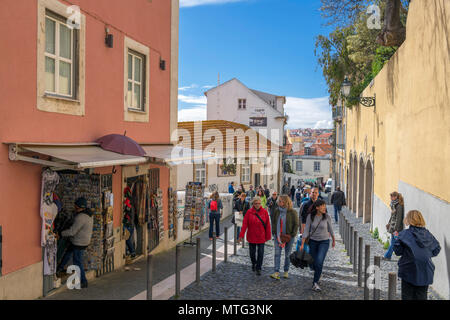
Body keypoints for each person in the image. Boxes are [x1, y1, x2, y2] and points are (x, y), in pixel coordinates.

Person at [394, 210, 441, 300]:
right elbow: (437, 249)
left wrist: (397, 239)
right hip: (426, 270)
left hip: (409, 269)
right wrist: (426, 254)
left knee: (407, 296)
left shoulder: (404, 234)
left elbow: (398, 251)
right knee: (421, 296)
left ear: (408, 220)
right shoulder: (428, 234)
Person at [56, 197, 93, 288]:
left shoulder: (80, 217)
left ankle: (83, 281)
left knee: (77, 262)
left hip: (79, 242)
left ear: (81, 207)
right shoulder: (88, 214)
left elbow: (72, 231)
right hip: (82, 240)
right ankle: (59, 268)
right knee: (68, 252)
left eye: (76, 207)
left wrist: (60, 234)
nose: (75, 209)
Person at [300, 199, 335, 292]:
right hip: (313, 241)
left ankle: (315, 283)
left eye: (325, 206)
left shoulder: (327, 216)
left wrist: (334, 239)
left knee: (319, 261)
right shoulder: (310, 217)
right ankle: (318, 273)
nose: (324, 208)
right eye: (322, 206)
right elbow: (306, 230)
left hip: (324, 242)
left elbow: (330, 229)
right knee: (312, 262)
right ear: (317, 207)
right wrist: (302, 243)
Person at [238, 197, 271, 276]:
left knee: (261, 253)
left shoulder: (264, 212)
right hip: (252, 235)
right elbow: (244, 225)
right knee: (252, 253)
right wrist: (241, 235)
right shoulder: (249, 212)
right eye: (256, 203)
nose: (257, 205)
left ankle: (258, 267)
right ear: (253, 204)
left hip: (261, 235)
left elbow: (268, 225)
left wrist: (268, 236)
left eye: (259, 203)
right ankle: (254, 263)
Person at [270, 195, 299, 280]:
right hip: (278, 236)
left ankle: (286, 271)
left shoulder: (292, 212)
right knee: (277, 254)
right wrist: (274, 232)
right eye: (279, 201)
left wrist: (292, 235)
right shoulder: (276, 211)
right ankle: (276, 272)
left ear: (286, 202)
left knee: (287, 255)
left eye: (281, 201)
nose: (279, 203)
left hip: (289, 237)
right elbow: (274, 222)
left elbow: (296, 224)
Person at [383, 191, 404, 260]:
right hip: (392, 226)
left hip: (396, 228)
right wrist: (389, 223)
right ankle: (388, 256)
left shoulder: (399, 206)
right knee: (394, 242)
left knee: (394, 243)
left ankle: (387, 256)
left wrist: (396, 229)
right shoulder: (394, 205)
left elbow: (399, 218)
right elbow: (392, 216)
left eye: (392, 196)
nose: (390, 198)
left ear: (395, 197)